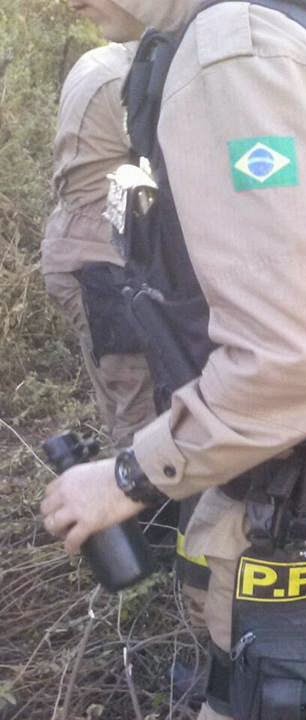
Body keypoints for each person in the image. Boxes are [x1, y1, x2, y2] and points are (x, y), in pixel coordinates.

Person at [41, 1, 306, 719]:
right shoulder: (287, 26)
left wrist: (130, 475)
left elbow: (298, 351)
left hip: (295, 510)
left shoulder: (235, 52)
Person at [42, 28, 155, 448]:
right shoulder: (123, 79)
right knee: (142, 408)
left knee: (123, 402)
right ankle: (140, 488)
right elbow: (165, 159)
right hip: (103, 260)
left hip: (84, 249)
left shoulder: (100, 62)